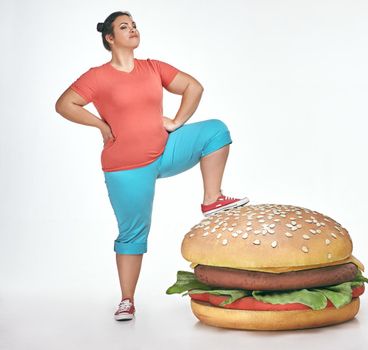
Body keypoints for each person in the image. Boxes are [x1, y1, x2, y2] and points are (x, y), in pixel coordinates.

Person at [54, 10, 249, 321]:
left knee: (215, 131)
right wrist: (101, 126)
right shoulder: (97, 76)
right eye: (124, 27)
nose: (132, 30)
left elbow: (193, 87)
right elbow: (64, 104)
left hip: (165, 151)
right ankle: (127, 300)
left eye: (134, 25)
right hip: (126, 167)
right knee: (133, 234)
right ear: (110, 38)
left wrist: (177, 121)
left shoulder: (153, 68)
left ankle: (212, 199)